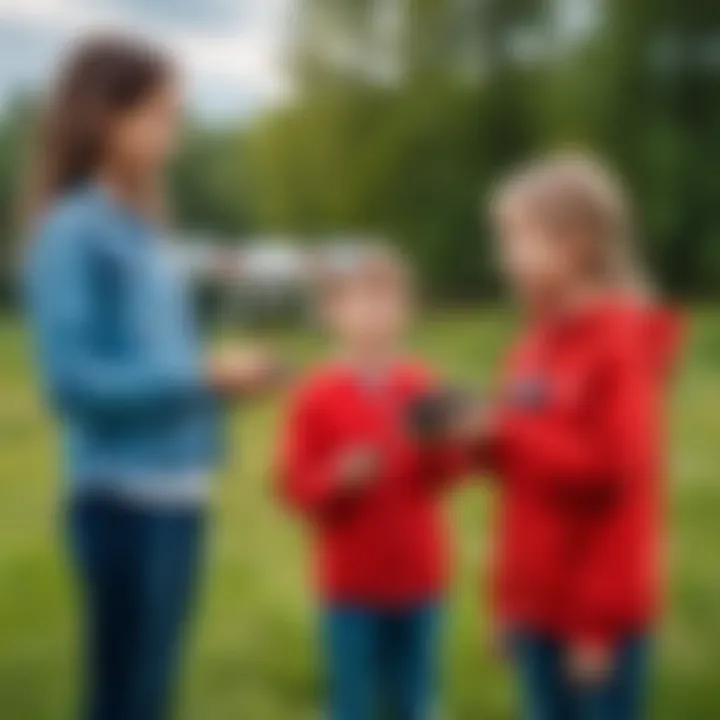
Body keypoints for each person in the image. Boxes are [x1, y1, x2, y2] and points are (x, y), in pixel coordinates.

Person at [22, 35, 278, 720]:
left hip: (177, 495)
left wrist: (228, 380)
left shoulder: (142, 228)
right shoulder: (71, 232)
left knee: (152, 694)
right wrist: (202, 375)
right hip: (122, 505)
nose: (177, 132)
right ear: (108, 117)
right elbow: (73, 384)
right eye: (162, 113)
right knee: (125, 699)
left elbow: (159, 364)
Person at [471, 153, 682, 720]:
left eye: (517, 240)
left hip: (596, 621)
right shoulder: (530, 346)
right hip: (537, 608)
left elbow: (613, 476)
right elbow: (524, 477)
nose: (504, 259)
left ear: (578, 244)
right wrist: (476, 438)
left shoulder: (619, 344)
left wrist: (600, 625)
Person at [276, 245, 467, 719]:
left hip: (419, 578)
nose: (375, 313)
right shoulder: (316, 396)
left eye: (387, 299)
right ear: (331, 312)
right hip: (349, 586)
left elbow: (447, 476)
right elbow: (294, 487)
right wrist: (336, 479)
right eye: (360, 299)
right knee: (352, 701)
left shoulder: (421, 385)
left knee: (415, 697)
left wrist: (445, 442)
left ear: (407, 310)